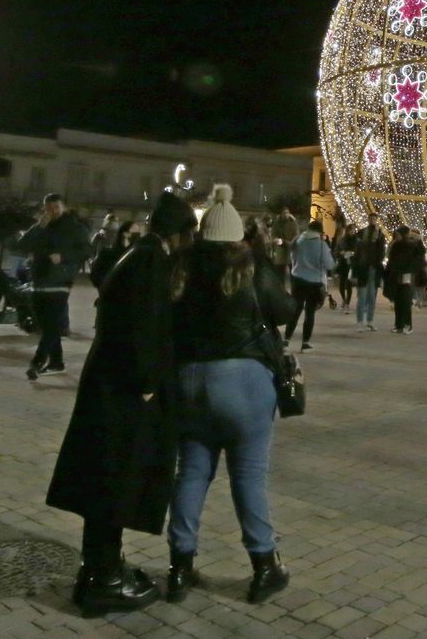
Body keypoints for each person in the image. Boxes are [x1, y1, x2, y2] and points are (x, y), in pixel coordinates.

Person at [47, 192, 196, 617]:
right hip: (124, 394)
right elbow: (144, 324)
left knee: (106, 481)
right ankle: (103, 579)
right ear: (181, 233)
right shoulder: (152, 262)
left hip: (110, 387)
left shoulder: (138, 254)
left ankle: (101, 567)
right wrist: (148, 383)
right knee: (115, 480)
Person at [168, 208, 297, 607]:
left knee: (192, 471)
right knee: (248, 475)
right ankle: (264, 565)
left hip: (189, 378)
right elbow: (285, 311)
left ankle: (180, 566)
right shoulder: (249, 265)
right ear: (237, 234)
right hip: (244, 381)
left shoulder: (182, 266)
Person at [18, 193, 93, 380]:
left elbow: (87, 250)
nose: (52, 211)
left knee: (52, 326)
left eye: (56, 207)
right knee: (46, 326)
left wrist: (64, 256)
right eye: (48, 208)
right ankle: (57, 362)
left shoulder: (75, 228)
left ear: (63, 207)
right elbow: (22, 244)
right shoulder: (42, 227)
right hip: (39, 281)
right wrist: (38, 226)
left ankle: (37, 362)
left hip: (60, 282)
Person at [286, 221, 334, 351]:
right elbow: (330, 265)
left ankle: (286, 341)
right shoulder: (321, 245)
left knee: (295, 311)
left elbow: (292, 258)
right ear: (320, 232)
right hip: (314, 282)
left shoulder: (298, 241)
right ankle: (305, 343)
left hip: (297, 280)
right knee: (309, 312)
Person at [351, 212, 387, 331]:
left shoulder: (380, 235)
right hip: (363, 268)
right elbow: (356, 254)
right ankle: (360, 322)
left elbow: (381, 252)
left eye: (374, 219)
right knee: (362, 297)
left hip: (373, 268)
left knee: (372, 296)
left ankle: (369, 321)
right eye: (371, 218)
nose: (372, 220)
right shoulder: (362, 234)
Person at [384, 225, 424, 334]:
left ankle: (407, 325)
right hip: (397, 275)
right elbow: (391, 259)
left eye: (398, 234)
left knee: (406, 300)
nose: (397, 236)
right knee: (398, 301)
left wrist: (410, 270)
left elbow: (419, 258)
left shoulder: (413, 245)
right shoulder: (396, 245)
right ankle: (399, 325)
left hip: (406, 275)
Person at [90, 221, 138, 292]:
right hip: (111, 297)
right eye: (135, 233)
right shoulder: (107, 254)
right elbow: (96, 276)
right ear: (125, 234)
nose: (137, 236)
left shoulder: (137, 255)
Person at [269, 206, 299, 284]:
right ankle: (280, 289)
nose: (286, 214)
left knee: (293, 270)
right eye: (284, 213)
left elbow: (296, 234)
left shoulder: (293, 222)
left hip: (291, 247)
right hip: (280, 247)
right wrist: (276, 240)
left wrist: (292, 242)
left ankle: (294, 289)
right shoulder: (277, 223)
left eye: (287, 213)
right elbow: (273, 234)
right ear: (281, 214)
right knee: (280, 271)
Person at [333, 223, 356, 314]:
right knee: (342, 284)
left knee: (349, 284)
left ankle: (347, 303)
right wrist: (341, 253)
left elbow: (359, 251)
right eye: (350, 230)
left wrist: (353, 253)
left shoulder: (357, 241)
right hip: (343, 264)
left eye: (353, 230)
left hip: (351, 265)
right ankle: (344, 299)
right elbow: (336, 251)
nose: (352, 231)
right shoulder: (342, 240)